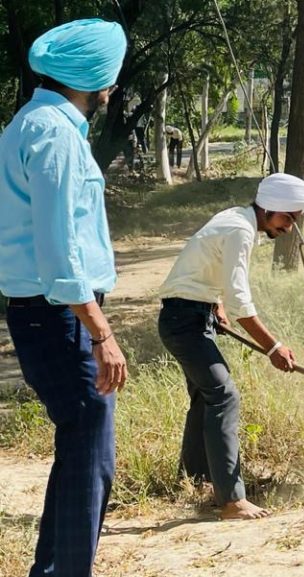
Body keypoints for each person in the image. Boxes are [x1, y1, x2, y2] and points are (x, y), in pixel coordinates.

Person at [0, 19, 128, 577]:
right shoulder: (53, 132)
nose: (113, 87)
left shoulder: (35, 123)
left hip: (48, 315)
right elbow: (59, 246)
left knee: (80, 452)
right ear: (94, 77)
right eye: (110, 75)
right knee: (93, 460)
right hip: (59, 318)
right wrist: (100, 331)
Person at [157, 173, 304, 520]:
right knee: (224, 396)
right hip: (184, 321)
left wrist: (215, 305)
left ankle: (197, 479)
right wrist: (274, 347)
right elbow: (239, 296)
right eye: (287, 218)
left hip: (191, 314)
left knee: (205, 394)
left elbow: (206, 269)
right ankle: (231, 500)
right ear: (269, 209)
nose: (289, 227)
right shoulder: (241, 230)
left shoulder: (235, 218)